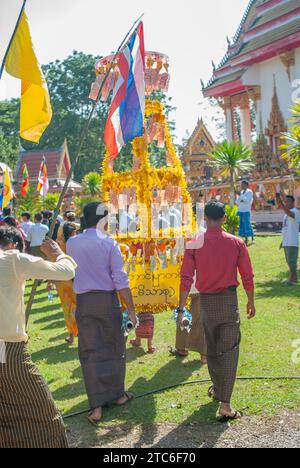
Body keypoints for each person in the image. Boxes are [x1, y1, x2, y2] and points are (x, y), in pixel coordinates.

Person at [0, 226, 76, 448]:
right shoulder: (12, 259)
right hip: (7, 351)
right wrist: (58, 253)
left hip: (7, 348)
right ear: (14, 245)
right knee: (45, 416)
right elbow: (66, 271)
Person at [179, 201, 255, 422]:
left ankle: (219, 389)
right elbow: (247, 275)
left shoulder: (194, 244)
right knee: (230, 350)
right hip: (229, 301)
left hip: (206, 304)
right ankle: (225, 403)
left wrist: (182, 307)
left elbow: (185, 279)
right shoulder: (237, 243)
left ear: (205, 219)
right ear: (223, 218)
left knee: (212, 348)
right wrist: (250, 301)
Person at [67, 202, 137, 425]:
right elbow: (121, 280)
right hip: (107, 300)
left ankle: (96, 405)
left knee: (89, 351)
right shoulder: (109, 243)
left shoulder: (72, 242)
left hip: (84, 301)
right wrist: (132, 310)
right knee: (115, 346)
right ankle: (118, 395)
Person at [55, 222, 78, 344]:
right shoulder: (76, 244)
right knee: (79, 307)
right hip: (76, 278)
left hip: (62, 281)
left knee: (67, 308)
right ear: (73, 232)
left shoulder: (58, 245)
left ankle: (71, 335)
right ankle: (80, 332)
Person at [277, 194, 300, 285]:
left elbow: (290, 214)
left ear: (293, 203)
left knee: (291, 261)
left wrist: (281, 204)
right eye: (285, 202)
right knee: (289, 261)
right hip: (287, 242)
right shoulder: (285, 215)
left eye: (288, 202)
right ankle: (294, 278)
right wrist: (283, 241)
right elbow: (286, 229)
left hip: (292, 242)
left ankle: (291, 280)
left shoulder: (295, 211)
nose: (286, 203)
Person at [236, 180, 254, 245]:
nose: (241, 186)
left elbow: (247, 201)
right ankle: (246, 239)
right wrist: (241, 198)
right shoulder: (241, 192)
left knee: (247, 224)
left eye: (242, 184)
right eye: (241, 185)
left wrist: (241, 197)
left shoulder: (250, 192)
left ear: (246, 185)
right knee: (242, 225)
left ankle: (252, 238)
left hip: (246, 210)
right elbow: (237, 202)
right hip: (240, 210)